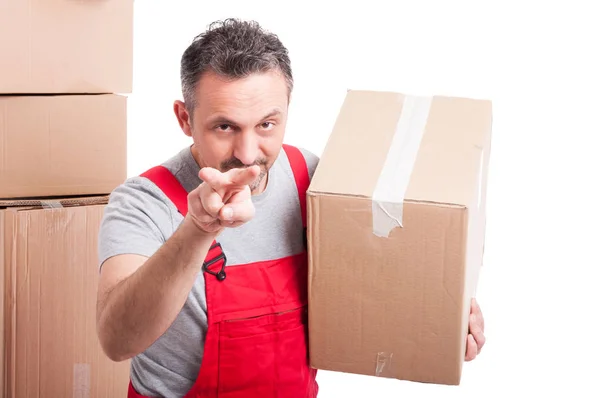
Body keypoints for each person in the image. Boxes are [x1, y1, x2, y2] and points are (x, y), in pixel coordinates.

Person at [96, 18, 486, 398]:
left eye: (266, 125)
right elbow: (117, 341)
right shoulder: (145, 201)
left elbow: (370, 289)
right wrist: (197, 228)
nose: (248, 154)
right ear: (185, 118)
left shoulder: (312, 180)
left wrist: (440, 322)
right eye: (225, 127)